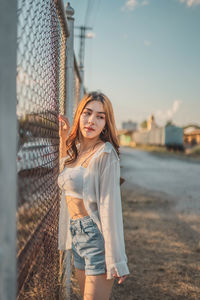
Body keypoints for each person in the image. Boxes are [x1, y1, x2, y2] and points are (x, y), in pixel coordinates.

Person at [57, 91, 130, 299]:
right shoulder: (77, 150)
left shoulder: (106, 153)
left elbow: (110, 208)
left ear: (106, 124)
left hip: (95, 236)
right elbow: (65, 176)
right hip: (77, 234)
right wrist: (64, 139)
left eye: (100, 116)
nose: (91, 121)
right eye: (87, 113)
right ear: (79, 115)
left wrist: (117, 259)